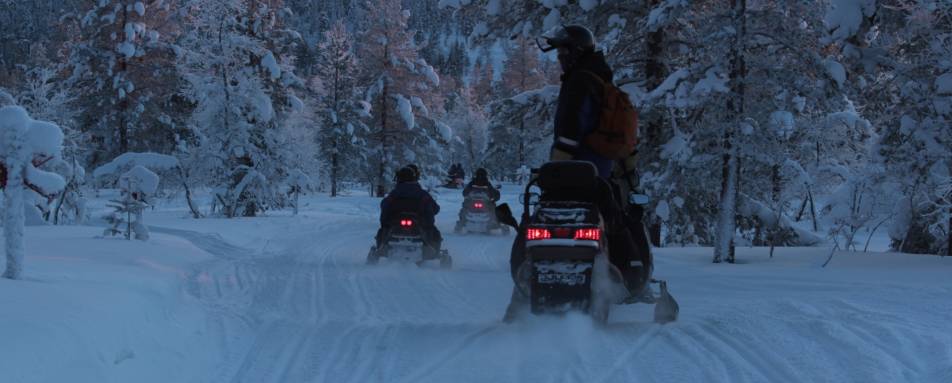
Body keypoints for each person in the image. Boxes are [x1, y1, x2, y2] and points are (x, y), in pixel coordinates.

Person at [508, 25, 651, 300]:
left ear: (576, 53)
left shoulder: (580, 82)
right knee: (617, 221)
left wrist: (556, 168)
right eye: (559, 51)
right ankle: (630, 277)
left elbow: (569, 132)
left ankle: (528, 277)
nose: (560, 57)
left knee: (538, 215)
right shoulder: (601, 82)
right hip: (602, 173)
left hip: (575, 174)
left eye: (564, 51)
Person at [378, 167, 442, 253]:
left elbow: (384, 205)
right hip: (420, 223)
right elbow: (435, 208)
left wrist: (385, 223)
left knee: (382, 232)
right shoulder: (422, 193)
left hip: (396, 223)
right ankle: (434, 252)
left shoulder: (394, 193)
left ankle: (380, 249)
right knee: (435, 233)